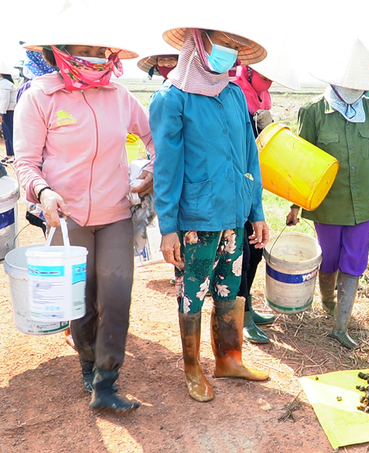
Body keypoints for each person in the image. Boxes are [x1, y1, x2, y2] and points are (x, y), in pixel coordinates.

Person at [14, 28, 154, 413]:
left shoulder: (120, 96)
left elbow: (153, 137)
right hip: (66, 217)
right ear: (61, 52)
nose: (93, 57)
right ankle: (87, 365)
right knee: (81, 299)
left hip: (115, 214)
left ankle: (106, 381)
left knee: (116, 294)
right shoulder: (40, 97)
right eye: (83, 50)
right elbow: (25, 163)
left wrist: (154, 169)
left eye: (98, 50)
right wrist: (43, 192)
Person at [149, 23, 270, 403]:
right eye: (224, 43)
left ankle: (229, 359)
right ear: (200, 43)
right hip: (196, 220)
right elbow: (165, 168)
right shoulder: (172, 99)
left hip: (234, 212)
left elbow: (249, 154)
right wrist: (168, 226)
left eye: (236, 46)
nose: (230, 52)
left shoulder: (233, 93)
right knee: (193, 291)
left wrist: (257, 210)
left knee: (229, 287)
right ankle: (191, 368)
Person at [286, 39, 369, 349]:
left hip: (362, 205)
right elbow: (301, 162)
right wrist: (295, 204)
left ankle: (340, 326)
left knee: (355, 262)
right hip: (327, 204)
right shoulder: (314, 111)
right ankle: (327, 303)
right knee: (329, 259)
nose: (354, 88)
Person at [231, 52, 300, 344]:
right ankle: (240, 318)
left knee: (257, 249)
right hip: (235, 181)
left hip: (252, 182)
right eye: (264, 76)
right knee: (243, 254)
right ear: (248, 71)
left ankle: (246, 306)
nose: (268, 83)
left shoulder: (262, 97)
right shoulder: (234, 92)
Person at [0, 61, 17, 164]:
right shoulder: (6, 83)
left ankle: (12, 154)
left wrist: (1, 113)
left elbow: (4, 100)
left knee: (9, 132)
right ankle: (10, 154)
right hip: (8, 111)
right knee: (8, 132)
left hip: (7, 111)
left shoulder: (4, 84)